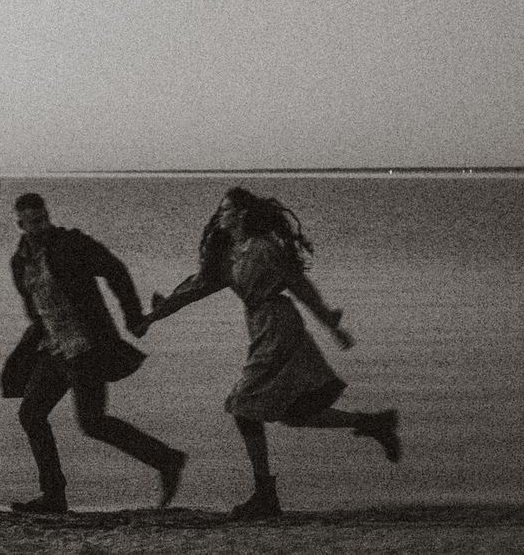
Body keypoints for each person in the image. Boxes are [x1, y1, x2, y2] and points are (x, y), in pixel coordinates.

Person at [143, 186, 401, 519]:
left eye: (225, 210)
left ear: (241, 215)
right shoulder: (230, 255)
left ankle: (265, 494)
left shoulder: (264, 248)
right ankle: (373, 423)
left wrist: (331, 325)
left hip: (279, 328)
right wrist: (154, 316)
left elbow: (300, 286)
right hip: (263, 327)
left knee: (243, 405)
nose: (219, 215)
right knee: (294, 412)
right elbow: (195, 287)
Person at [0, 192, 187, 514]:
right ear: (20, 224)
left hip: (87, 346)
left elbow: (115, 270)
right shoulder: (20, 261)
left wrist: (132, 316)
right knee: (31, 414)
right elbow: (34, 306)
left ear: (47, 216)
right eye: (31, 222)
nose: (39, 226)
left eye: (42, 219)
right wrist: (33, 344)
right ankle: (54, 495)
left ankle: (167, 460)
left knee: (92, 422)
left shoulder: (72, 244)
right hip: (55, 348)